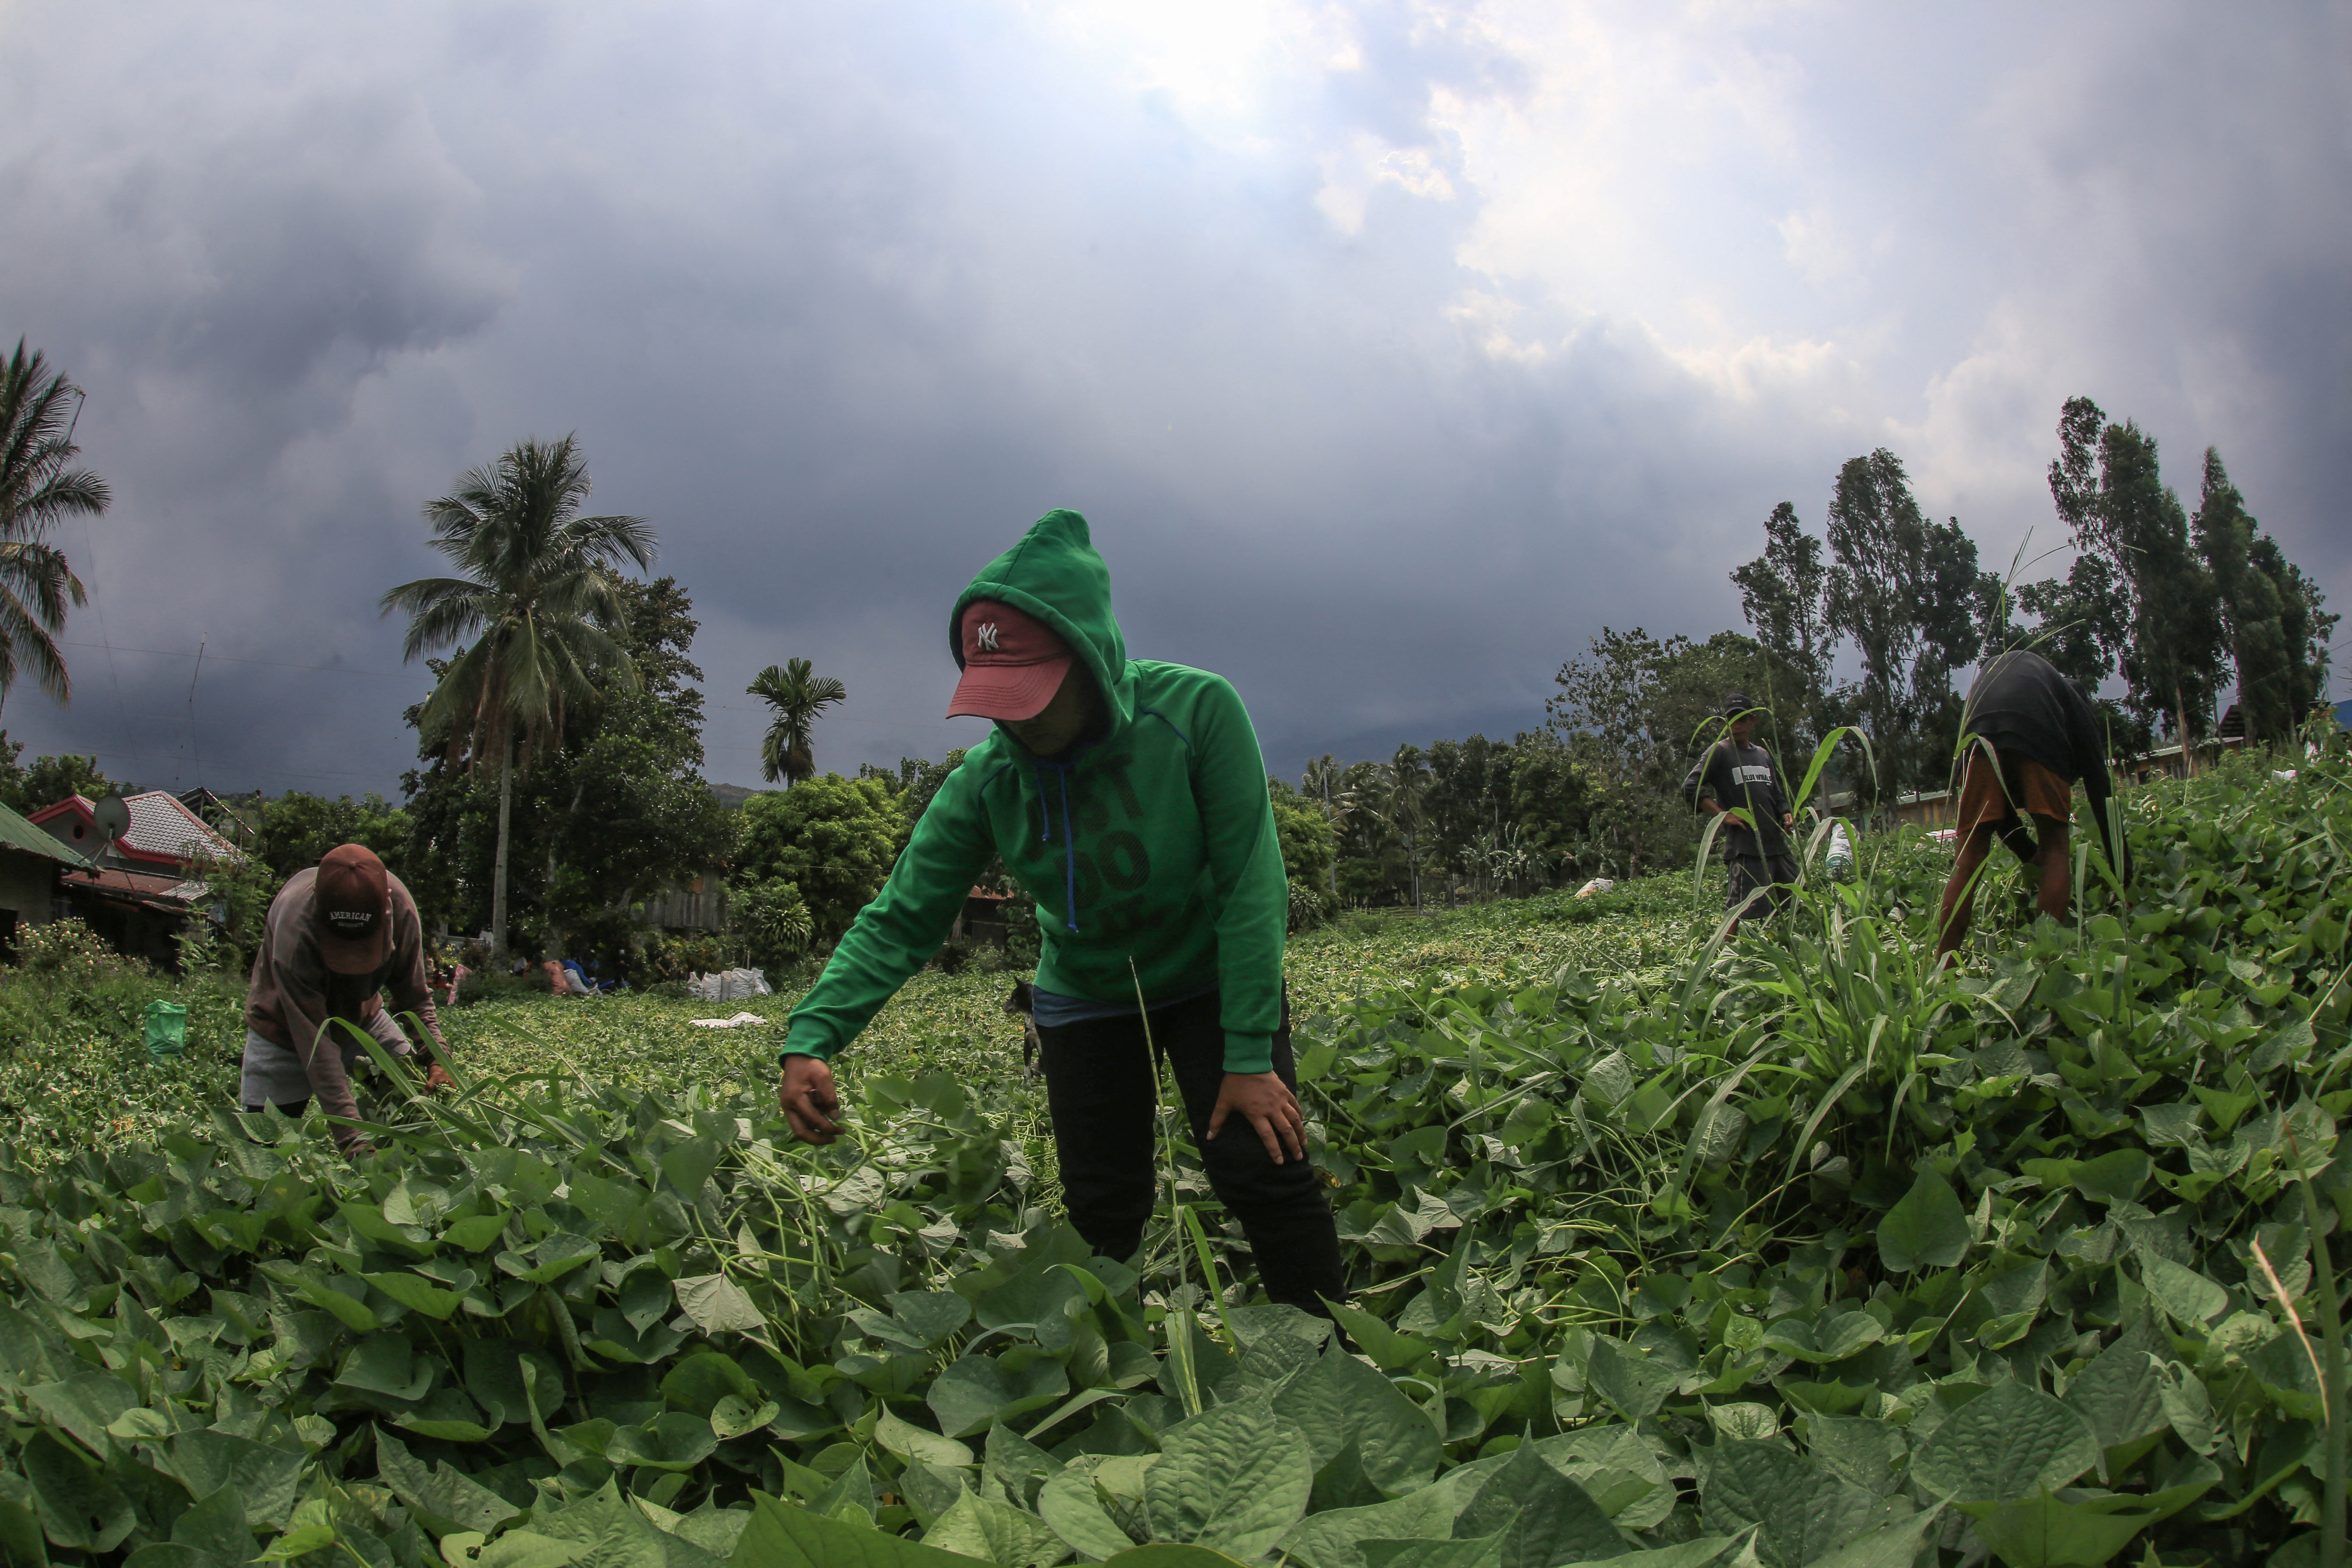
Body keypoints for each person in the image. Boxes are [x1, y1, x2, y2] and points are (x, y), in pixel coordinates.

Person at [775, 510, 1347, 1317]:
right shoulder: (985, 783)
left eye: (1035, 694)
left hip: (1206, 979)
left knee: (1263, 1166)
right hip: (1083, 994)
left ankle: (1328, 1356)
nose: (1019, 718)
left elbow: (1252, 883)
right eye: (997, 700)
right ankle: (1104, 1370)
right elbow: (901, 918)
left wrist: (1249, 1053)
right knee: (1102, 1204)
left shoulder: (1195, 714)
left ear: (1091, 660)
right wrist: (813, 1035)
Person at [241, 844, 451, 1151]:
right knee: (263, 1149)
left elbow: (414, 997)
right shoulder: (295, 932)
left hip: (363, 1017)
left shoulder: (402, 910)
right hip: (284, 1026)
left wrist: (437, 1056)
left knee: (420, 1112)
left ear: (386, 909)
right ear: (317, 907)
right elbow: (316, 1043)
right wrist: (350, 1138)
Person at [1936, 649, 2126, 963]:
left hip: (1976, 738)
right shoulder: (2072, 702)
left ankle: (1943, 969)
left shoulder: (2030, 679)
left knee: (1968, 863)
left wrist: (2027, 854)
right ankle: (2044, 964)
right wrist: (2123, 875)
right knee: (2056, 850)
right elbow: (2099, 786)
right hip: (2035, 728)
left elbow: (2001, 814)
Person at [1681, 692, 1798, 933]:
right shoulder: (1720, 752)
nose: (1737, 726)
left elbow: (1776, 794)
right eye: (1731, 720)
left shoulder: (1763, 755)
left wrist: (1786, 813)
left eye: (1742, 719)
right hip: (1746, 847)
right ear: (1723, 724)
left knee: (1794, 900)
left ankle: (1783, 950)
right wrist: (1723, 815)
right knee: (1739, 908)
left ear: (1753, 721)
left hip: (1777, 845)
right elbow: (1690, 787)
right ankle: (1726, 958)